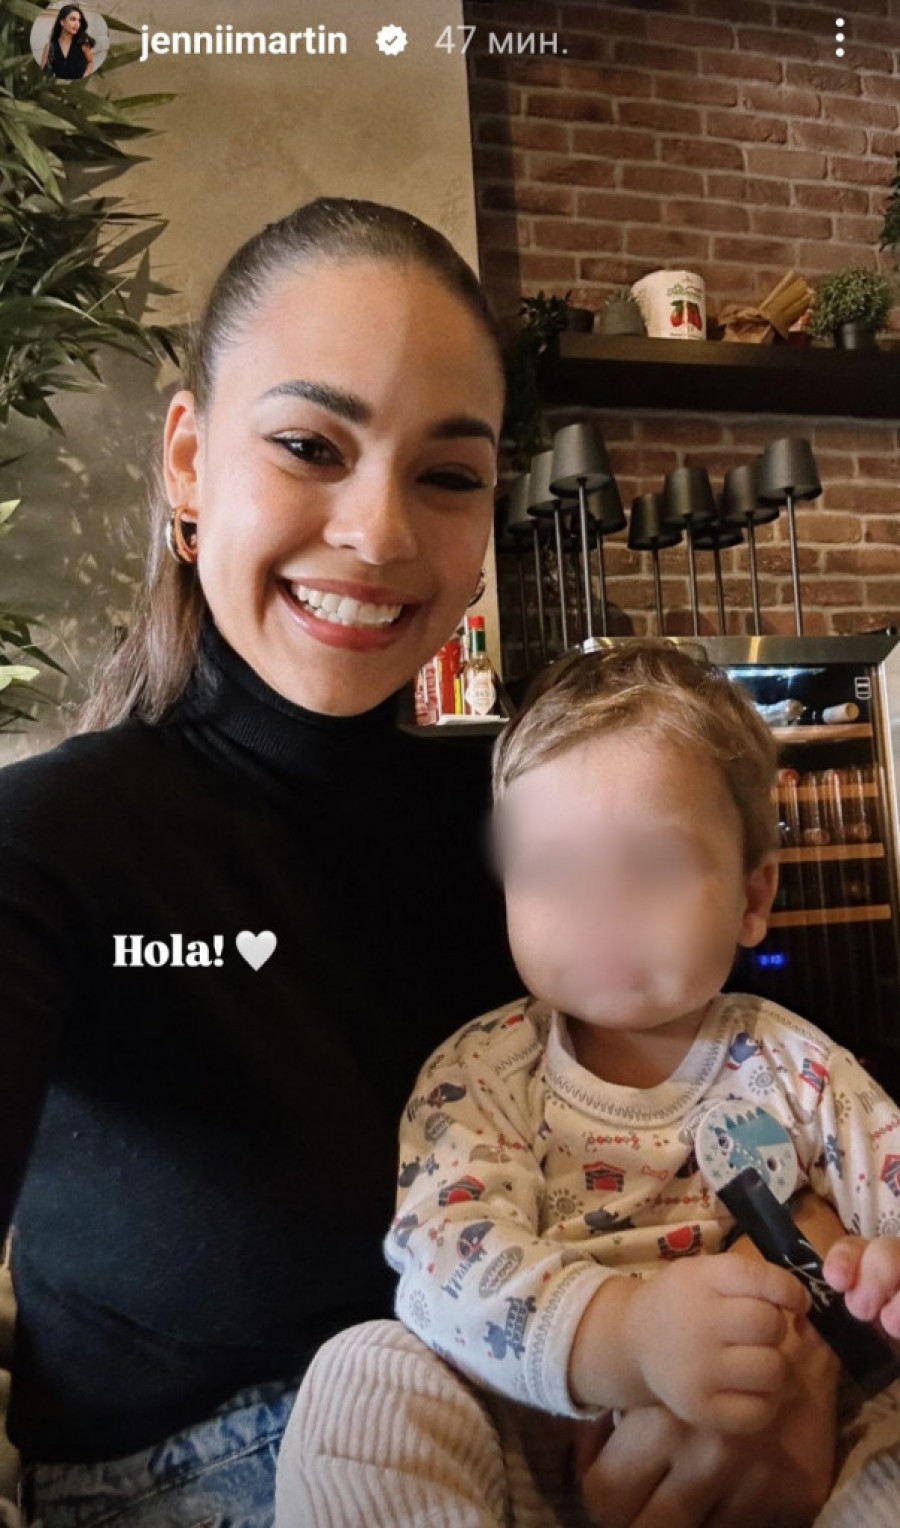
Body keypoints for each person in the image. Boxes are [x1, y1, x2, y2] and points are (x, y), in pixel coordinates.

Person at [0, 196, 527, 1526]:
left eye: (447, 474)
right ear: (188, 461)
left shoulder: (532, 824)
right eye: (309, 446)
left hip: (535, 1434)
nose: (381, 532)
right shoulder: (49, 845)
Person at [277, 641, 900, 1528]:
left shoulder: (799, 1068)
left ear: (753, 898)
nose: (602, 907)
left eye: (655, 864)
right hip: (526, 1450)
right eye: (555, 870)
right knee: (363, 1370)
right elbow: (445, 1263)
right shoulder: (482, 1072)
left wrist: (882, 1277)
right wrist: (629, 1338)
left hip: (806, 1454)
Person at [40, 6, 94, 81]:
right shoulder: (50, 46)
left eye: (79, 20)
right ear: (62, 22)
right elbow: (42, 72)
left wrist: (84, 76)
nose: (77, 24)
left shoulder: (83, 43)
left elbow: (90, 63)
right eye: (73, 19)